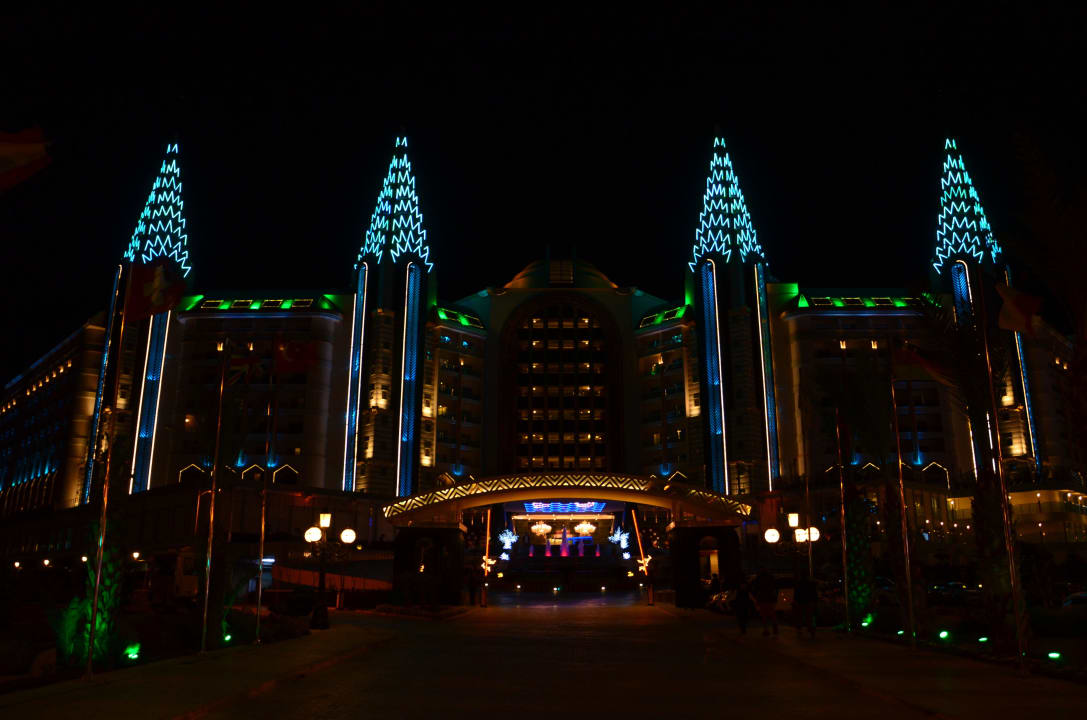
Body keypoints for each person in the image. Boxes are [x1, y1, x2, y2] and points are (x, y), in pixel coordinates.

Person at [751, 568, 779, 636]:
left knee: (763, 614)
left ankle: (766, 629)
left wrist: (756, 596)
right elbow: (775, 587)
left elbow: (755, 588)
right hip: (770, 598)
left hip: (762, 598)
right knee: (772, 612)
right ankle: (774, 625)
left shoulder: (758, 579)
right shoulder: (771, 578)